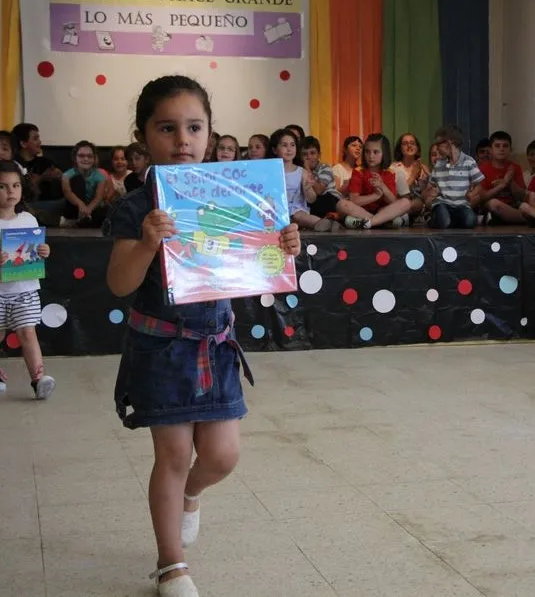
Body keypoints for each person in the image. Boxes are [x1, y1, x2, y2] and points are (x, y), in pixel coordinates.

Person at [104, 74, 301, 596]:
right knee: (171, 456)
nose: (182, 140)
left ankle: (192, 494)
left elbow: (259, 263)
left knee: (222, 456)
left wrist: (283, 244)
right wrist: (146, 244)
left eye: (194, 127)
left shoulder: (236, 193)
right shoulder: (135, 206)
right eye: (166, 128)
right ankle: (171, 563)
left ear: (211, 133)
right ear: (143, 136)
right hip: (161, 348)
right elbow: (119, 283)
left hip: (216, 345)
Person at [0, 161, 54, 398]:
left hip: (25, 289)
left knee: (28, 333)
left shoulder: (28, 219)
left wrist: (44, 251)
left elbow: (35, 250)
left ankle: (38, 379)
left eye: (16, 185)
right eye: (2, 187)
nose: (11, 191)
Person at [343, 133, 412, 229]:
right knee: (342, 204)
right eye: (367, 152)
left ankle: (369, 222)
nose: (371, 156)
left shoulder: (389, 173)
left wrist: (382, 186)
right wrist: (375, 195)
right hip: (362, 212)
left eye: (376, 152)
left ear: (384, 154)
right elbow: (354, 200)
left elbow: (393, 202)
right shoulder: (358, 171)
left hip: (383, 210)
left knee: (406, 202)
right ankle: (380, 221)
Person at [428, 124, 484, 229]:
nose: (437, 148)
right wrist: (432, 191)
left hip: (462, 204)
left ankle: (452, 221)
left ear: (449, 143)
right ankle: (439, 220)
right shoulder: (439, 164)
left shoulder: (469, 161)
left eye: (438, 144)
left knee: (470, 221)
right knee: (444, 221)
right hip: (443, 203)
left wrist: (472, 194)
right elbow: (431, 185)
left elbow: (479, 184)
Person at [476, 131, 526, 225]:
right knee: (494, 203)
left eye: (505, 146)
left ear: (510, 149)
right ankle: (528, 220)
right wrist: (502, 185)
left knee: (525, 206)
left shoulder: (515, 168)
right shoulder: (482, 169)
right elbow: (482, 197)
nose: (501, 149)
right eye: (497, 146)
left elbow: (521, 197)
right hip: (491, 207)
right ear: (491, 150)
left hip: (511, 207)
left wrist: (510, 182)